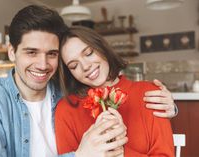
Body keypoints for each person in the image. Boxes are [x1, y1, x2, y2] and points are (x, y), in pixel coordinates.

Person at [0, 4, 176, 157]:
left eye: (52, 54)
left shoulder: (69, 95)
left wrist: (172, 106)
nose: (42, 64)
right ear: (12, 52)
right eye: (31, 52)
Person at [55, 26, 175, 156]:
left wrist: (120, 153)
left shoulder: (150, 94)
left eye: (88, 53)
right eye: (74, 65)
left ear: (102, 47)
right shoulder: (65, 109)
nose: (85, 66)